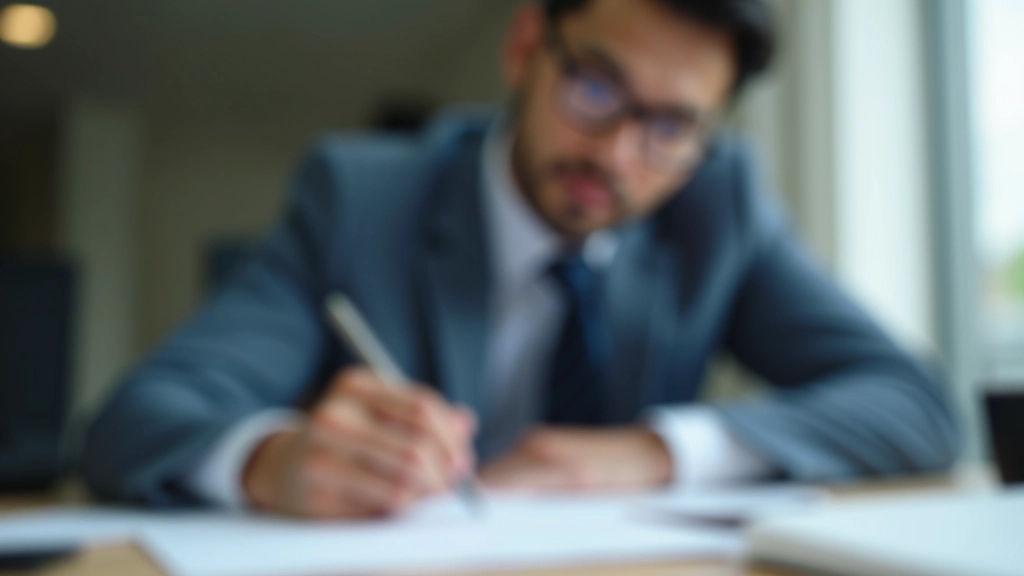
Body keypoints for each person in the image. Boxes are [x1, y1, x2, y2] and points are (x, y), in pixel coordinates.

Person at [81, 0, 960, 518]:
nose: (618, 157)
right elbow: (137, 420)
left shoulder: (716, 202)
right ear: (525, 45)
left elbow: (915, 404)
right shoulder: (358, 198)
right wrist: (274, 462)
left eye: (671, 127)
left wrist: (647, 454)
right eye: (597, 89)